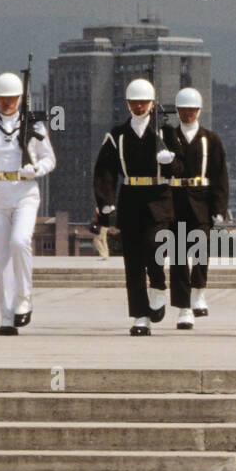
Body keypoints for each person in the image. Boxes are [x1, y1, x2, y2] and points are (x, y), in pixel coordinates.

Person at [94, 78, 183, 335]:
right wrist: (106, 201)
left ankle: (157, 284)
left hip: (159, 197)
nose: (139, 106)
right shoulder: (117, 135)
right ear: (127, 104)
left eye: (143, 102)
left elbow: (180, 169)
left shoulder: (166, 132)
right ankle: (140, 316)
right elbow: (105, 170)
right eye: (134, 102)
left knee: (155, 247)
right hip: (131, 197)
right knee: (132, 261)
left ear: (153, 104)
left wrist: (169, 162)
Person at [0, 72, 56, 334]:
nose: (7, 102)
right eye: (2, 98)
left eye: (11, 98)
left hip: (25, 192)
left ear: (20, 98)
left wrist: (36, 169)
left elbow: (49, 159)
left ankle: (24, 297)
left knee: (20, 241)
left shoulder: (34, 126)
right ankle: (6, 316)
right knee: (1, 257)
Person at [168, 87, 229, 329]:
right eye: (183, 110)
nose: (187, 114)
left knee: (201, 249)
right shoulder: (168, 136)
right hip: (175, 199)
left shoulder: (210, 139)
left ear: (198, 111)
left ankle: (199, 290)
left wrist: (219, 208)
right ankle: (183, 308)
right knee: (179, 256)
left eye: (192, 110)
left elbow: (220, 175)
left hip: (202, 200)